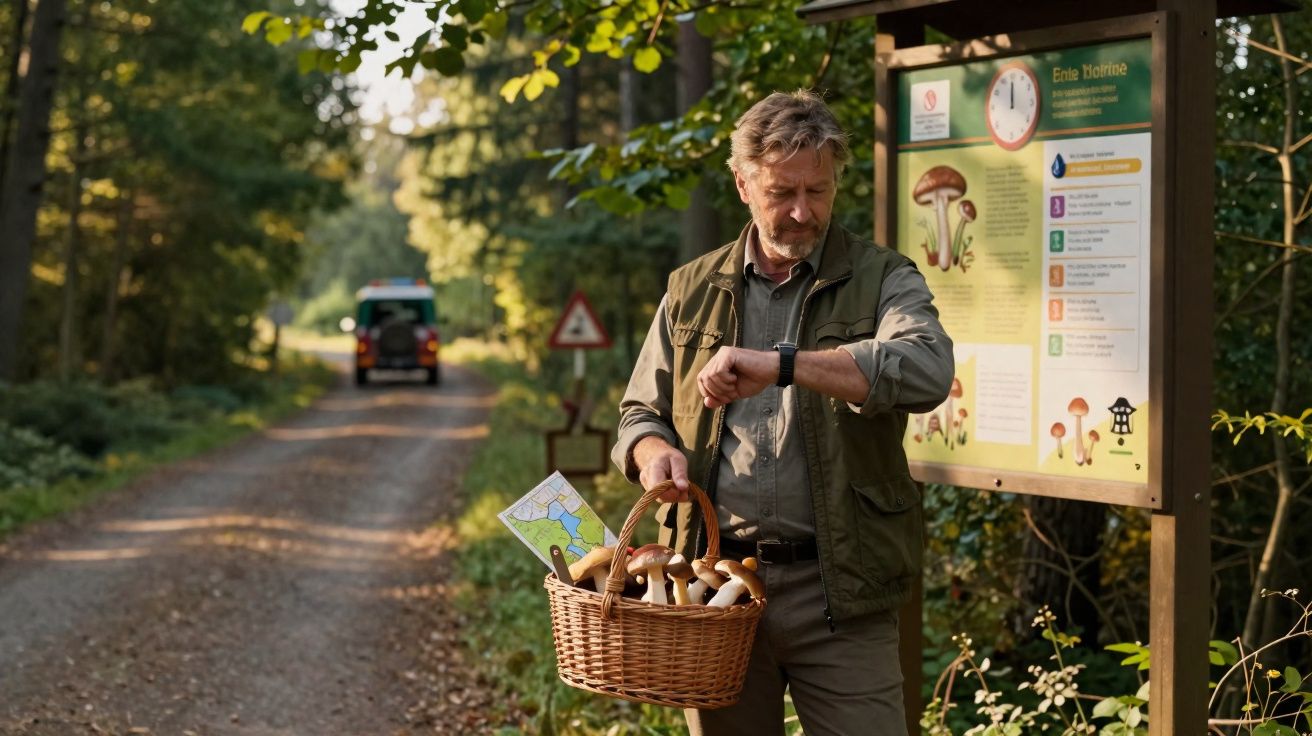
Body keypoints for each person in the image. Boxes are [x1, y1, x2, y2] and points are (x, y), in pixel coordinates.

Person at [610, 89, 955, 736]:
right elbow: (638, 413)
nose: (803, 212)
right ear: (743, 185)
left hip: (843, 590)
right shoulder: (691, 289)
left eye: (818, 192)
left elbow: (928, 369)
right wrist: (654, 455)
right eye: (781, 194)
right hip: (714, 593)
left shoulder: (883, 277)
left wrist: (786, 363)